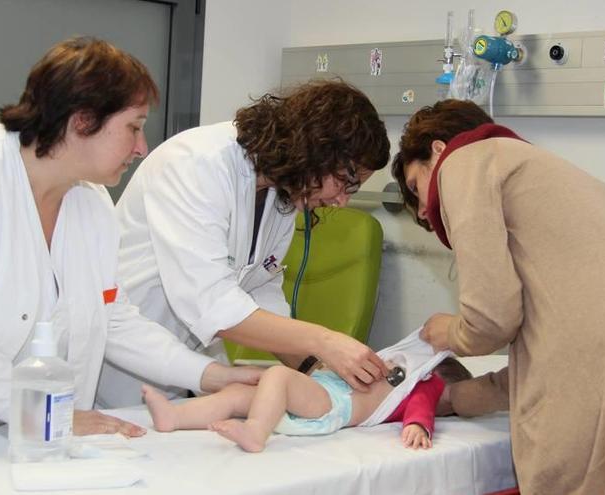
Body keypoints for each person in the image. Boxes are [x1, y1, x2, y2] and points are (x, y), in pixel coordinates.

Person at [0, 37, 258, 443]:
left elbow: (114, 320)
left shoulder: (90, 204)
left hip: (12, 435)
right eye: (134, 127)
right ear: (83, 120)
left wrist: (212, 375)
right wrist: (52, 414)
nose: (142, 148)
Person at [391, 99, 605, 494]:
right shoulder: (559, 182)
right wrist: (453, 397)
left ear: (438, 149)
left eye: (417, 187)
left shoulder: (464, 163)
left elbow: (492, 319)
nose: (424, 213)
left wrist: (450, 332)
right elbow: (556, 365)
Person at [101, 80, 392, 406]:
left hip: (189, 370)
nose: (340, 202)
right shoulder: (197, 164)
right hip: (118, 370)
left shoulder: (283, 191)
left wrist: (315, 369)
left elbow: (259, 290)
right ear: (316, 150)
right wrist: (324, 341)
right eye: (344, 183)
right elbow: (213, 304)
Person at [142, 344, 472, 452]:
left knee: (277, 376)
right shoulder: (396, 369)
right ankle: (175, 417)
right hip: (317, 394)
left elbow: (421, 406)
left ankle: (256, 433)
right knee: (238, 394)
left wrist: (418, 426)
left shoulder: (426, 383)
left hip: (334, 406)